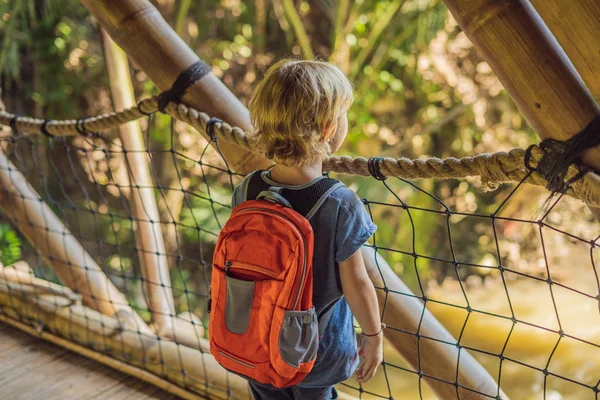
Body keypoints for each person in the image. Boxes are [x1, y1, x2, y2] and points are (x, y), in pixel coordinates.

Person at [231, 59, 384, 400]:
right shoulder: (340, 203)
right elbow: (357, 283)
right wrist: (373, 337)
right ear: (329, 128)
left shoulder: (246, 190)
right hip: (315, 354)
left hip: (256, 339)